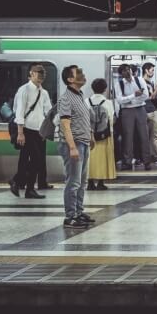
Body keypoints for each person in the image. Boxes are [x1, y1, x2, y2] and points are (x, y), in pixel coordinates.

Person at [57, 65, 96, 229]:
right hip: (73, 144)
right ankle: (70, 216)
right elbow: (65, 124)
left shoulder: (79, 95)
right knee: (73, 182)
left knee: (82, 181)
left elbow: (83, 119)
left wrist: (91, 135)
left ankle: (79, 212)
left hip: (84, 142)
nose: (83, 74)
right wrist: (72, 147)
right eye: (78, 73)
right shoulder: (65, 98)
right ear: (70, 79)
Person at [9, 63, 53, 199]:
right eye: (38, 73)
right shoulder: (24, 90)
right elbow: (19, 111)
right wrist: (20, 132)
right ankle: (24, 185)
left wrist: (47, 130)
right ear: (31, 74)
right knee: (36, 160)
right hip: (27, 130)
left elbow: (48, 111)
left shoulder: (43, 92)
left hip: (39, 131)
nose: (41, 76)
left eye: (43, 74)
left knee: (29, 160)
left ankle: (21, 184)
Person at [115, 64, 152, 171]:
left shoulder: (139, 80)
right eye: (125, 70)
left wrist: (131, 100)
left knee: (144, 135)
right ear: (121, 74)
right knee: (128, 137)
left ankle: (147, 161)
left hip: (140, 109)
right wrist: (133, 96)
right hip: (127, 111)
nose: (128, 72)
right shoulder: (119, 84)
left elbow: (145, 95)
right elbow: (120, 100)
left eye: (128, 69)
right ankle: (127, 162)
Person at [87, 78, 117, 191]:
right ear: (105, 89)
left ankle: (90, 182)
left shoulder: (87, 101)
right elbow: (111, 118)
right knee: (103, 158)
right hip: (104, 135)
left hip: (89, 135)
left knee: (90, 158)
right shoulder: (108, 103)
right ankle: (100, 182)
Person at [142, 63, 157, 164]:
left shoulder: (150, 83)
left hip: (153, 110)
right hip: (148, 110)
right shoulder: (142, 82)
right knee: (154, 135)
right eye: (151, 70)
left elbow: (154, 95)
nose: (152, 72)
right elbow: (151, 97)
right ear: (146, 70)